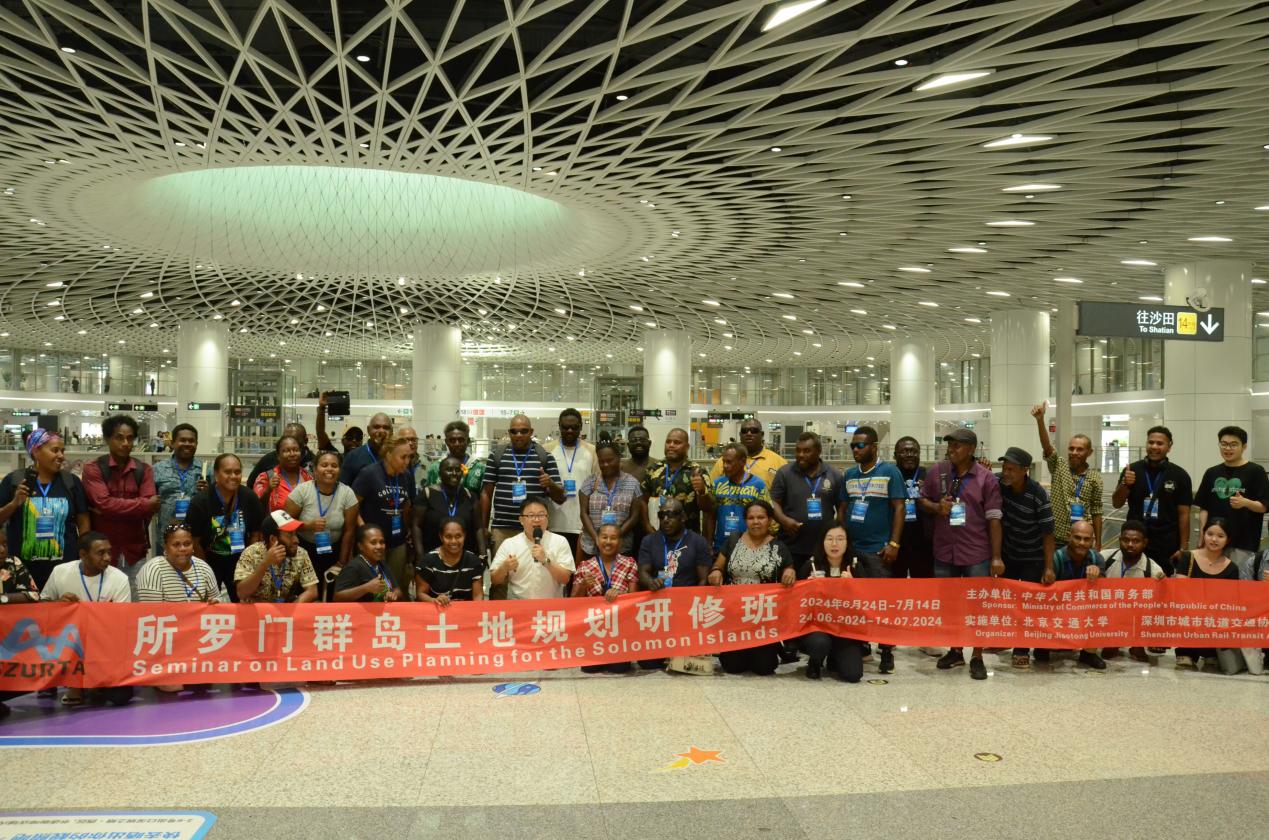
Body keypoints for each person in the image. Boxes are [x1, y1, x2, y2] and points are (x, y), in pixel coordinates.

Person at [919, 428, 1002, 680]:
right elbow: (922, 500)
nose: (951, 449)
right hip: (945, 550)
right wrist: (937, 507)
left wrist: (996, 557)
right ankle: (955, 650)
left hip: (976, 551)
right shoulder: (938, 471)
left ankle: (977, 655)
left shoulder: (986, 479)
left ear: (971, 449)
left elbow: (994, 519)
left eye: (957, 445)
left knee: (978, 606)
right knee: (949, 604)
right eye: (950, 445)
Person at [841, 425, 906, 674]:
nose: (855, 449)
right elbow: (843, 509)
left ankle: (887, 651)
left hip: (879, 550)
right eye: (853, 445)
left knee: (882, 603)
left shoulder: (890, 472)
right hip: (854, 549)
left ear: (874, 447)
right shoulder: (849, 475)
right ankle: (863, 644)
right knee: (858, 602)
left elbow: (899, 508)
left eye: (860, 445)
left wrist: (894, 543)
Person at [707, 500, 795, 675]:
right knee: (733, 667)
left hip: (763, 618)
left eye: (761, 517)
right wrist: (716, 571)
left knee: (764, 667)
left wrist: (790, 571)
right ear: (745, 520)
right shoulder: (733, 540)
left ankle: (772, 647)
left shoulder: (779, 547)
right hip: (734, 615)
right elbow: (718, 565)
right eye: (751, 518)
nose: (756, 522)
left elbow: (789, 568)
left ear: (770, 520)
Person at [0, 429, 90, 589]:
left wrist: (82, 556)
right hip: (21, 571)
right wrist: (14, 503)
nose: (61, 456)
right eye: (55, 450)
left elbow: (83, 522)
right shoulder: (13, 481)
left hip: (64, 570)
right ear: (36, 451)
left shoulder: (71, 482)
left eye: (62, 451)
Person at [996, 446, 1057, 669]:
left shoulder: (1038, 494)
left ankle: (1021, 649)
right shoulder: (1000, 483)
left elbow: (1048, 533)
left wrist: (1048, 567)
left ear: (1025, 470)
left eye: (1011, 469)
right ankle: (1005, 639)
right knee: (1007, 601)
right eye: (1004, 468)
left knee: (1027, 604)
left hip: (1032, 556)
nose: (1006, 473)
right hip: (1009, 554)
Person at [80, 414, 159, 584]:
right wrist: (141, 505)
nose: (125, 443)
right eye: (119, 438)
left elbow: (149, 509)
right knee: (100, 598)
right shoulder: (93, 469)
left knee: (135, 598)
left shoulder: (144, 470)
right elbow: (104, 503)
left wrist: (110, 508)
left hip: (135, 552)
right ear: (108, 439)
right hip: (100, 553)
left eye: (130, 438)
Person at [1111, 426, 1192, 575]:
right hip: (1134, 540)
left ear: (1169, 447)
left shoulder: (1180, 475)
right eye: (1151, 442)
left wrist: (1183, 548)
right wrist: (1125, 484)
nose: (1154, 446)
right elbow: (1116, 503)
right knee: (1133, 580)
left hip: (1166, 543)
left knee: (1162, 582)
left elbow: (1184, 514)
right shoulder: (1131, 470)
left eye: (1160, 443)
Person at [185, 453, 265, 601]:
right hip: (209, 559)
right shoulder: (201, 501)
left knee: (242, 603)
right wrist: (205, 570)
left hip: (240, 561)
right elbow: (195, 541)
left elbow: (256, 533)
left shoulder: (249, 497)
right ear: (216, 474)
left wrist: (248, 563)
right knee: (209, 604)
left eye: (237, 472)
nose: (233, 476)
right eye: (227, 472)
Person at [481, 415, 565, 552]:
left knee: (535, 565)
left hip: (535, 529)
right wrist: (484, 527)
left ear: (531, 432)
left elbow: (560, 498)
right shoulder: (496, 455)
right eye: (514, 431)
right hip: (502, 529)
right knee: (503, 566)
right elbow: (486, 493)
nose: (518, 435)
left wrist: (550, 484)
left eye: (524, 431)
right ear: (509, 433)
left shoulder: (545, 457)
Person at [285, 450, 359, 600]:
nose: (329, 469)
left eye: (334, 466)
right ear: (315, 469)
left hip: (334, 550)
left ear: (339, 470)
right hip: (304, 550)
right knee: (307, 594)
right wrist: (307, 526)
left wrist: (342, 561)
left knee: (330, 594)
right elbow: (285, 524)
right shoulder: (302, 491)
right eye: (324, 465)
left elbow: (349, 531)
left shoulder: (347, 493)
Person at [796, 522, 864, 682]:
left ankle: (834, 657)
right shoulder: (811, 565)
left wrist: (854, 586)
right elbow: (796, 603)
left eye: (840, 539)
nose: (834, 544)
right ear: (822, 542)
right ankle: (815, 661)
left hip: (844, 629)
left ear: (847, 542)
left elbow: (867, 603)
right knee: (819, 644)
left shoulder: (855, 566)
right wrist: (807, 588)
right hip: (817, 627)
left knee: (853, 675)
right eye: (830, 539)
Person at [1030, 402, 1103, 550]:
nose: (1074, 452)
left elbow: (1096, 511)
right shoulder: (1059, 465)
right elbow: (1047, 447)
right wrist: (1040, 420)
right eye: (1071, 448)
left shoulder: (1095, 478)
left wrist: (1098, 543)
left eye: (1080, 449)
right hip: (1056, 538)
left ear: (1089, 453)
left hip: (1081, 539)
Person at [351, 435, 416, 600]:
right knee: (374, 587)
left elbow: (407, 504)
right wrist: (364, 530)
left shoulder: (406, 476)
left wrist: (407, 527)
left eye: (409, 457)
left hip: (397, 540)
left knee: (395, 587)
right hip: (373, 542)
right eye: (403, 457)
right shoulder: (369, 474)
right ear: (388, 454)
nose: (407, 461)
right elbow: (352, 505)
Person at [1172, 518, 1240, 670]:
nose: (1214, 539)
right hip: (1189, 613)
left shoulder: (1232, 568)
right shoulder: (1188, 557)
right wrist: (1198, 609)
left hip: (1214, 618)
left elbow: (1230, 601)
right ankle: (1185, 652)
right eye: (1210, 534)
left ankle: (1210, 651)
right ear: (1203, 534)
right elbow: (1180, 590)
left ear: (1228, 540)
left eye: (1220, 536)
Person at [771, 431, 846, 570]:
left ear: (819, 451)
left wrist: (838, 531)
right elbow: (773, 501)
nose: (800, 455)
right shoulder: (785, 473)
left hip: (824, 548)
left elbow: (841, 505)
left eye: (806, 451)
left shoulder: (834, 475)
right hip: (791, 547)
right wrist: (784, 520)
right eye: (798, 450)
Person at [1194, 426, 1268, 566]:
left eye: (1233, 444)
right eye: (1224, 444)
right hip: (1213, 542)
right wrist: (1202, 535)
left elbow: (1264, 507)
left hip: (1243, 544)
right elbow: (1204, 507)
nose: (1228, 448)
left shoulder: (1256, 471)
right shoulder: (1211, 472)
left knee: (1239, 579)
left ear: (1244, 447)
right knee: (1210, 578)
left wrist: (1245, 503)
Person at [892, 436, 939, 654]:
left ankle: (927, 638)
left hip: (924, 542)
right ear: (895, 455)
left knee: (925, 592)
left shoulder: (929, 476)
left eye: (913, 451)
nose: (909, 455)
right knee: (894, 591)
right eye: (904, 451)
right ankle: (889, 639)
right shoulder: (890, 474)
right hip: (896, 542)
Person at [573, 522, 638, 674]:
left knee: (619, 668)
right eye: (604, 537)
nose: (608, 542)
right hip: (594, 629)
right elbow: (573, 602)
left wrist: (620, 595)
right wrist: (583, 585)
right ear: (597, 540)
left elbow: (635, 599)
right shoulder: (584, 566)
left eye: (613, 538)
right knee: (590, 669)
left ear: (620, 542)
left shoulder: (629, 563)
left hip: (620, 629)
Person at [1101, 520, 1165, 663]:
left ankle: (1138, 644)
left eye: (1136, 541)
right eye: (1126, 540)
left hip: (1137, 615)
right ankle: (1112, 640)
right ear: (1120, 540)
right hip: (1108, 611)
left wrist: (1161, 587)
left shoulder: (1154, 570)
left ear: (1145, 543)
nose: (1130, 544)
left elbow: (1162, 604)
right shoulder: (1104, 558)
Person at [489, 497, 575, 600]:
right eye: (531, 515)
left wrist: (546, 561)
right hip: (519, 604)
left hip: (551, 604)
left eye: (541, 515)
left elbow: (565, 579)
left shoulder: (560, 541)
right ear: (521, 520)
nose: (537, 519)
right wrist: (504, 567)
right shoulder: (510, 544)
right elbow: (494, 580)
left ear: (547, 518)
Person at [1051, 520, 1108, 670]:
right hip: (1058, 608)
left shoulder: (1097, 559)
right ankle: (1045, 645)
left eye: (1086, 539)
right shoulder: (1055, 558)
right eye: (1077, 537)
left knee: (1100, 609)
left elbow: (1104, 593)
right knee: (1042, 655)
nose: (1082, 543)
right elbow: (1044, 595)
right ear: (1068, 536)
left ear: (1092, 541)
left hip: (1083, 609)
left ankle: (1089, 653)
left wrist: (1098, 577)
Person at [235, 510, 318, 603]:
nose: (296, 540)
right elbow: (241, 593)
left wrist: (289, 609)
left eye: (295, 534)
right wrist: (265, 564)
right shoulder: (251, 553)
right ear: (273, 539)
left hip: (287, 607)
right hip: (258, 609)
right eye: (290, 534)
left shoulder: (301, 553)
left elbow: (312, 591)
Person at [579, 441, 645, 560]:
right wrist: (597, 539)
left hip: (621, 547)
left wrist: (614, 537)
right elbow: (583, 513)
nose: (606, 464)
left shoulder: (632, 483)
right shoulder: (590, 482)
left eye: (610, 460)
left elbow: (635, 516)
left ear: (619, 458)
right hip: (592, 546)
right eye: (601, 461)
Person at [704, 442, 772, 554]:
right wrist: (709, 544)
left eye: (729, 462)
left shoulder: (758, 485)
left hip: (750, 549)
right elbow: (711, 516)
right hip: (721, 547)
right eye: (724, 462)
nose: (725, 466)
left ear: (742, 462)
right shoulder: (717, 484)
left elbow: (768, 517)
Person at [641, 427, 712, 535]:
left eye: (677, 442)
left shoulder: (697, 471)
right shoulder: (653, 470)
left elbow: (708, 508)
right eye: (668, 442)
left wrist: (702, 491)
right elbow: (642, 501)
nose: (671, 445)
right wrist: (647, 526)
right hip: (658, 535)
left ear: (687, 447)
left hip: (688, 537)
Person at [0, 529, 40, 718]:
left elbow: (33, 594)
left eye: (4, 544)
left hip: (8, 633)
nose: (2, 550)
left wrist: (3, 599)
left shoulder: (13, 563)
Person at [414, 456, 485, 558]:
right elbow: (416, 526)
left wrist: (483, 555)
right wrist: (420, 556)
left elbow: (479, 528)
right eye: (449, 470)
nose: (454, 473)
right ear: (440, 473)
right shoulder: (427, 495)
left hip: (465, 558)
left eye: (458, 470)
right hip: (433, 558)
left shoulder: (470, 496)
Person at [546, 408, 594, 559]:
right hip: (553, 523)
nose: (570, 431)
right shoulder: (547, 450)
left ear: (581, 427)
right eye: (565, 427)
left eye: (574, 427)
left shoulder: (592, 451)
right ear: (559, 426)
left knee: (578, 569)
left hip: (582, 524)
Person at [152, 423, 207, 547]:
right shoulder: (157, 469)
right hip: (166, 538)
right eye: (182, 440)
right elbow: (151, 503)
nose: (187, 444)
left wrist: (207, 492)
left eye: (191, 441)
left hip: (197, 539)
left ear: (196, 444)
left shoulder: (205, 470)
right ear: (172, 443)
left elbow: (214, 504)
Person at [414, 518, 485, 604]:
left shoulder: (474, 561)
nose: (453, 541)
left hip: (465, 610)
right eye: (448, 537)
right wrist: (434, 600)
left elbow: (478, 596)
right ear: (441, 537)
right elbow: (420, 593)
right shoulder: (428, 561)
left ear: (464, 536)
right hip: (438, 610)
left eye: (458, 536)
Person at [709, 417, 787, 488]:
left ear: (762, 434)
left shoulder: (779, 462)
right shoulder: (724, 461)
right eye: (744, 431)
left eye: (754, 430)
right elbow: (711, 489)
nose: (749, 433)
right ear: (740, 435)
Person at [333, 524, 402, 602]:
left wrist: (393, 594)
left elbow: (397, 590)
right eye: (373, 543)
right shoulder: (354, 567)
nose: (379, 546)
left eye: (382, 542)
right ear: (360, 546)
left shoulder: (381, 564)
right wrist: (366, 588)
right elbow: (337, 597)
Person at [252, 434, 314, 513]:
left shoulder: (309, 477)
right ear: (278, 455)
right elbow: (255, 508)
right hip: (276, 521)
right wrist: (268, 490)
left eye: (296, 450)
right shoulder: (265, 477)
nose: (292, 454)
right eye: (287, 451)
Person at [424, 420, 487, 493]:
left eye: (461, 440)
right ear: (446, 442)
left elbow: (484, 496)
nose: (457, 444)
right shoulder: (435, 468)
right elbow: (429, 494)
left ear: (468, 441)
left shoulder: (479, 468)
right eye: (452, 440)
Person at [247, 422, 316, 487]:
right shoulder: (269, 460)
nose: (289, 443)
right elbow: (251, 484)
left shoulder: (315, 463)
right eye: (285, 439)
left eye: (294, 440)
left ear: (305, 441)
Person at [339, 412, 394, 485]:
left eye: (386, 427)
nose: (381, 431)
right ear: (368, 430)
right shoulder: (353, 457)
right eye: (376, 427)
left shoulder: (399, 456)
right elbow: (342, 487)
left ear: (391, 431)